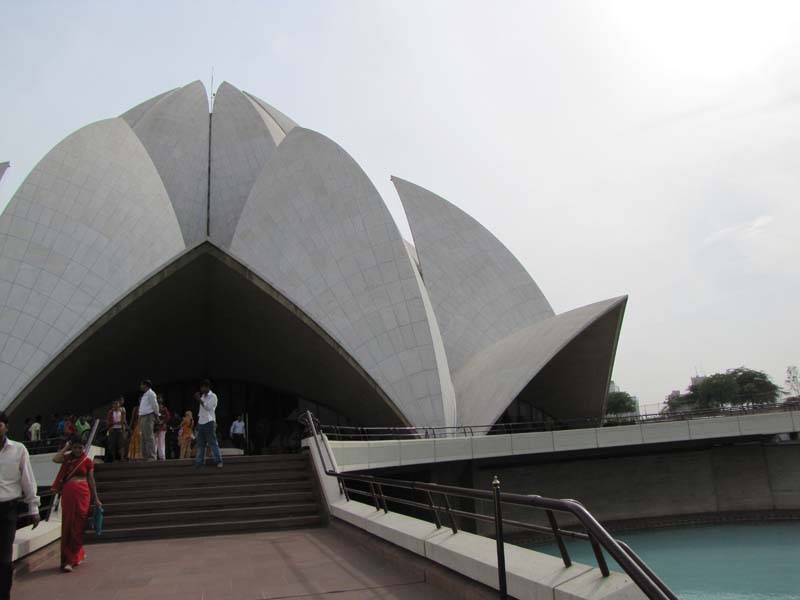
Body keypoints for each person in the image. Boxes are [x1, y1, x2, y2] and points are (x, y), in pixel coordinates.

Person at [0, 411, 40, 600]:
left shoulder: (18, 449)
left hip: (8, 509)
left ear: (6, 427)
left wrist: (34, 508)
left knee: (5, 559)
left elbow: (28, 480)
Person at [51, 436, 101, 572]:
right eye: (75, 447)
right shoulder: (67, 459)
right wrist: (66, 447)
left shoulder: (87, 462)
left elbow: (91, 480)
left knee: (78, 524)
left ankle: (71, 559)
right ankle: (70, 557)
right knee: (68, 523)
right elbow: (55, 459)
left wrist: (96, 499)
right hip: (68, 493)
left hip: (82, 493)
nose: (78, 450)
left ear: (84, 448)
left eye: (80, 447)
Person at [194, 380, 222, 468]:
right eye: (201, 387)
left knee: (212, 442)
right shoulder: (202, 396)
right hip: (201, 422)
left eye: (203, 387)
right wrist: (198, 423)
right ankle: (199, 463)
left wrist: (199, 399)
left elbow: (208, 407)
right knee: (200, 444)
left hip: (209, 422)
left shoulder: (213, 396)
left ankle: (219, 461)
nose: (201, 389)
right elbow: (200, 411)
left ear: (207, 387)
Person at [137, 380, 158, 461]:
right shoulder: (145, 394)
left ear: (146, 385)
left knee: (149, 437)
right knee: (143, 437)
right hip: (143, 417)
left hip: (148, 416)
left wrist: (156, 415)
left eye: (142, 385)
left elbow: (155, 405)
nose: (141, 386)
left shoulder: (151, 393)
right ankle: (145, 456)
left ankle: (152, 456)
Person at [154, 396, 170, 461]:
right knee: (154, 442)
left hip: (162, 428)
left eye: (160, 398)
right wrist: (156, 422)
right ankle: (154, 457)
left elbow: (167, 417)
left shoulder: (164, 408)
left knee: (161, 442)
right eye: (157, 398)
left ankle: (162, 457)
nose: (159, 400)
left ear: (162, 400)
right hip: (155, 427)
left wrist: (162, 422)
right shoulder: (154, 408)